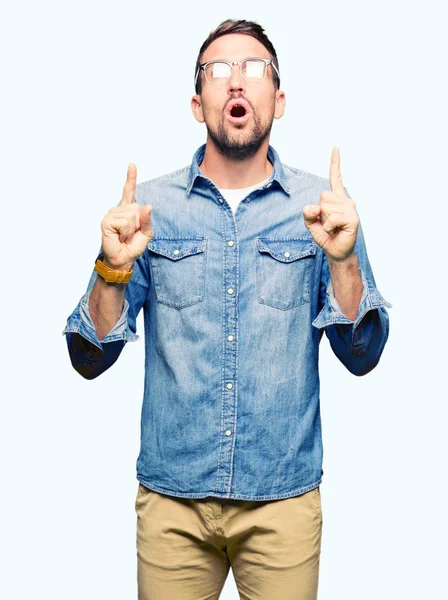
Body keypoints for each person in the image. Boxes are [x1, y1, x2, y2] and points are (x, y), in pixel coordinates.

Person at [62, 18, 392, 600]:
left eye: (254, 70)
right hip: (173, 505)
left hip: (283, 502)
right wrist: (110, 268)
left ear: (279, 99)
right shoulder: (147, 210)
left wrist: (343, 262)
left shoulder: (325, 211)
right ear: (198, 102)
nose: (236, 83)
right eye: (219, 71)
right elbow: (89, 358)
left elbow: (361, 356)